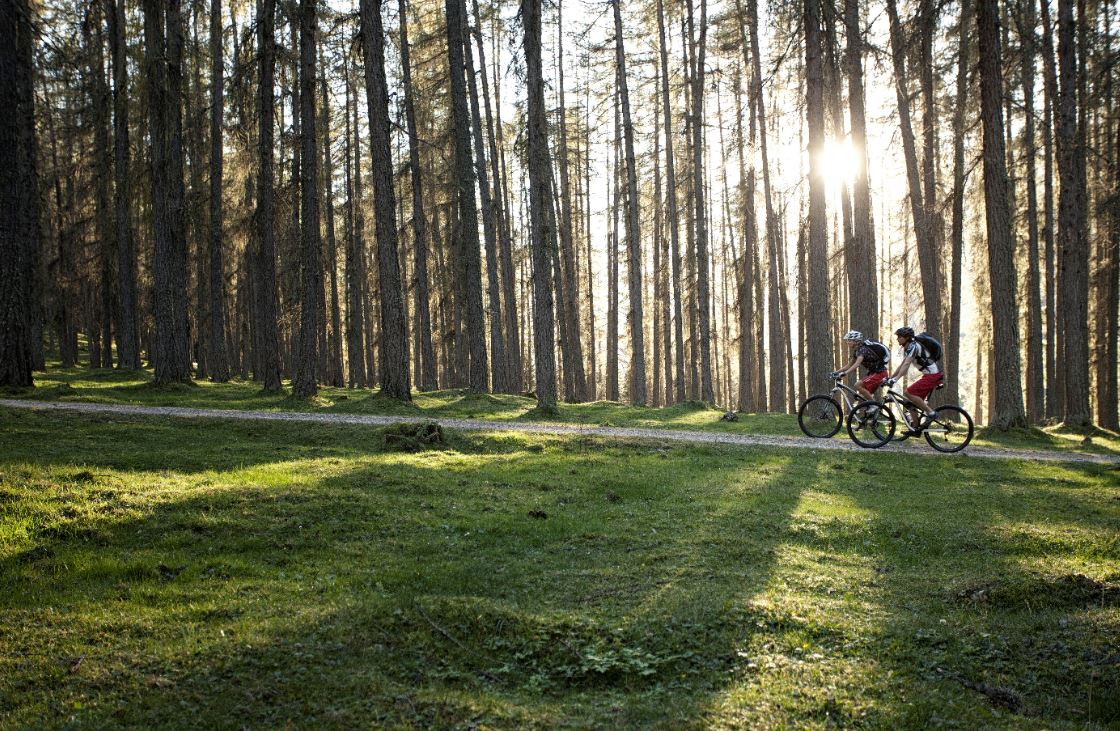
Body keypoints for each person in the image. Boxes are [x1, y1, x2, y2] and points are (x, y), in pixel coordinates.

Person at [885, 326, 944, 437]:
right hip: (929, 375)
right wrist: (891, 378)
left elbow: (906, 365)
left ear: (907, 337)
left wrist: (895, 380)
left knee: (908, 393)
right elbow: (903, 364)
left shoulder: (914, 346)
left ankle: (931, 413)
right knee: (910, 402)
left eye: (899, 337)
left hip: (932, 375)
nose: (897, 339)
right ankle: (915, 428)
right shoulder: (909, 347)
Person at [831, 331, 890, 401]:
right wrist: (836, 372)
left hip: (880, 374)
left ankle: (874, 406)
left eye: (849, 340)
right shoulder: (857, 351)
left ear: (856, 341)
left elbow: (857, 364)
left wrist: (845, 373)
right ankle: (874, 408)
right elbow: (849, 365)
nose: (847, 342)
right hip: (874, 373)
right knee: (860, 397)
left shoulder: (862, 350)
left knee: (857, 385)